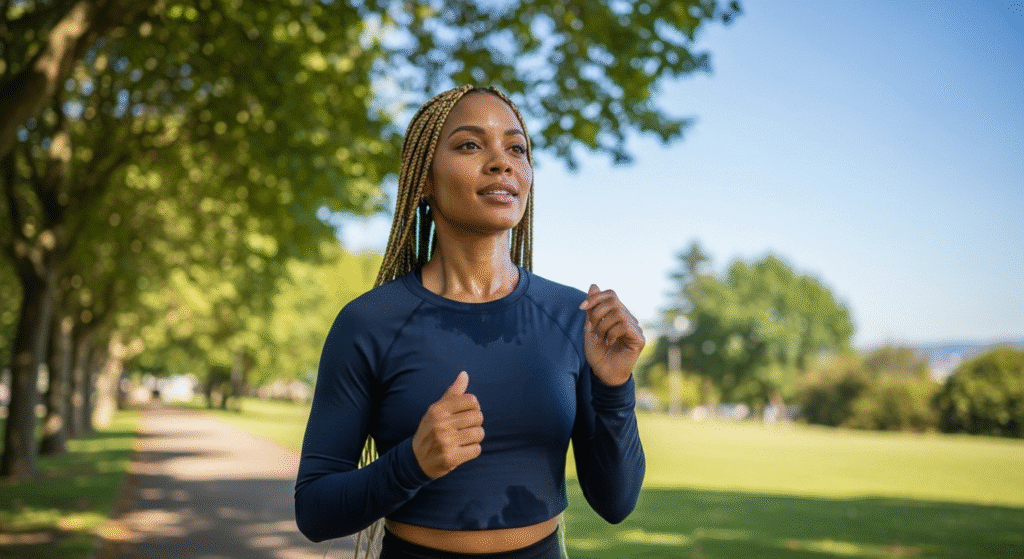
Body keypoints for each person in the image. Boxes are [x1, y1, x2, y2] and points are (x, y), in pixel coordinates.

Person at [295, 84, 646, 559]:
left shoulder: (573, 317)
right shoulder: (368, 323)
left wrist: (615, 387)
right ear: (423, 178)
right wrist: (411, 463)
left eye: (516, 148)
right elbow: (315, 511)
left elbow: (616, 502)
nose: (502, 161)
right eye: (470, 144)